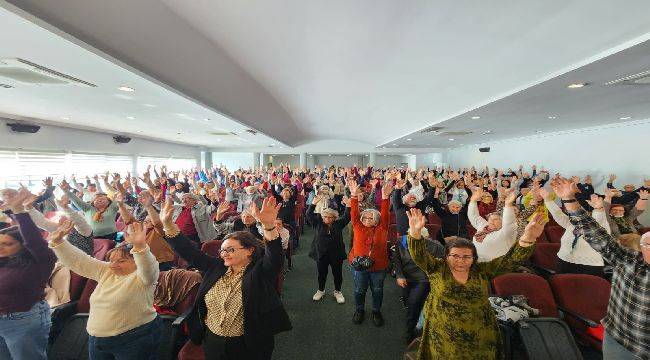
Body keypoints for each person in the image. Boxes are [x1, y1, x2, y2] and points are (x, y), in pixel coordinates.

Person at [160, 196, 291, 359]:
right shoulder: (215, 267)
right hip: (212, 340)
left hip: (248, 344)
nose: (224, 254)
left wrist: (268, 226)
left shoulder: (260, 272)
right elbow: (189, 252)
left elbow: (275, 258)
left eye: (230, 250)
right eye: (222, 250)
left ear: (249, 250)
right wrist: (168, 225)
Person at [407, 208, 545, 359]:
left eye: (466, 257)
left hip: (480, 333)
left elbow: (510, 261)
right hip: (443, 333)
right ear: (446, 256)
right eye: (455, 256)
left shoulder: (481, 270)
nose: (460, 260)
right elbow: (419, 255)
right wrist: (415, 232)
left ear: (474, 258)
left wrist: (527, 238)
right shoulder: (437, 268)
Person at [554, 177, 649, 359]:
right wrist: (569, 200)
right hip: (618, 338)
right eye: (647, 245)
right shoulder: (631, 262)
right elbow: (597, 234)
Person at [49, 216, 161, 359]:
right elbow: (80, 261)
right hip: (97, 339)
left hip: (134, 338)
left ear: (136, 260)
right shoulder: (107, 271)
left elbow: (148, 267)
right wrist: (58, 242)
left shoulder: (143, 277)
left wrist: (140, 248)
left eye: (121, 261)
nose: (113, 265)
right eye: (111, 260)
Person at [0, 187, 56, 360]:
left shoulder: (39, 261)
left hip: (23, 320)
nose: (1, 247)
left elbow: (35, 241)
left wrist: (19, 211)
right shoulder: (3, 261)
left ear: (22, 246)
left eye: (8, 244)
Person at [348, 179, 392, 326]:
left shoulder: (382, 227)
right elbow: (354, 212)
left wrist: (385, 198)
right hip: (359, 266)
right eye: (365, 217)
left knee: (377, 290)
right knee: (360, 290)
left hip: (378, 267)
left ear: (377, 219)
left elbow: (385, 213)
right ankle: (359, 310)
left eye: (371, 217)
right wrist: (353, 196)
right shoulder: (357, 226)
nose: (367, 219)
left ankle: (376, 311)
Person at [393, 226, 444, 344]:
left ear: (426, 237)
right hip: (406, 277)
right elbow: (397, 259)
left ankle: (409, 332)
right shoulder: (401, 241)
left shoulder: (434, 246)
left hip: (423, 279)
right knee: (407, 301)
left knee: (413, 303)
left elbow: (444, 261)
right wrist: (399, 275)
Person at [540, 189, 606, 277]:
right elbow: (557, 214)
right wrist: (547, 199)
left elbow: (598, 224)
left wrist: (599, 209)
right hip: (564, 261)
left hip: (590, 266)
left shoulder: (601, 224)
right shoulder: (572, 223)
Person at [306, 195, 351, 304]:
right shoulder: (318, 224)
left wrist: (348, 206)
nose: (327, 218)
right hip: (321, 254)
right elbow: (308, 214)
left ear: (335, 217)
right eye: (325, 216)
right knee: (322, 273)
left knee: (337, 274)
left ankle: (338, 291)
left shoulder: (339, 224)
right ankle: (321, 290)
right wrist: (313, 204)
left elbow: (347, 216)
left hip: (336, 254)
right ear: (322, 217)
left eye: (330, 217)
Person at [117, 190, 176, 271]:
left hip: (161, 262)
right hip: (144, 260)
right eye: (145, 221)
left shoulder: (159, 230)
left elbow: (157, 222)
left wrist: (148, 206)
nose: (146, 222)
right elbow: (129, 220)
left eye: (149, 221)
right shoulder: (142, 228)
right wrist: (120, 205)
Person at [467, 187, 517, 262]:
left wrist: (508, 205)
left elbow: (510, 223)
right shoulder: (484, 226)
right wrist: (473, 201)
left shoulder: (506, 232)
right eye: (490, 219)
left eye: (496, 219)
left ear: (503, 222)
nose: (491, 221)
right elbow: (474, 216)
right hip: (476, 262)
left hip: (495, 267)